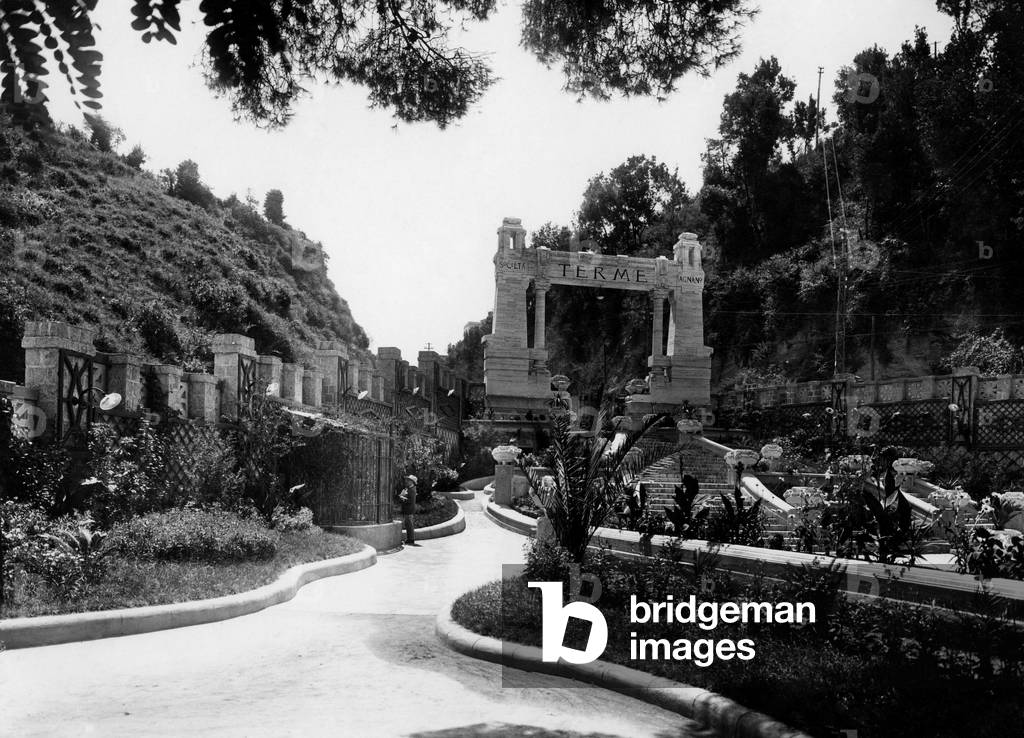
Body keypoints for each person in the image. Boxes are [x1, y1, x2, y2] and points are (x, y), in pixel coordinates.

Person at [397, 474, 418, 546]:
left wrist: (402, 497)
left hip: (409, 510)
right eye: (407, 480)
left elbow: (410, 501)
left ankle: (411, 539)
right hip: (407, 509)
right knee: (408, 524)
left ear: (412, 482)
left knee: (409, 525)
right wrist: (402, 496)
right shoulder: (409, 489)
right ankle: (409, 539)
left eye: (409, 480)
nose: (407, 481)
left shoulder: (412, 490)